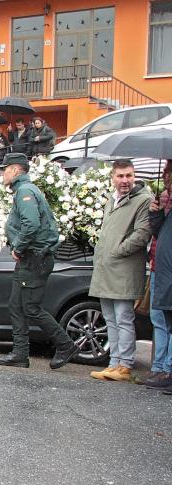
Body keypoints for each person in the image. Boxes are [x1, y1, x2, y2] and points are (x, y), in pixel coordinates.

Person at [0, 153, 79, 370]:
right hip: (30, 259)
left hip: (34, 258)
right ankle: (20, 354)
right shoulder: (24, 190)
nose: (2, 174)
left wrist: (19, 247)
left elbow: (31, 224)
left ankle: (65, 344)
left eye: (5, 169)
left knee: (31, 307)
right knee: (16, 305)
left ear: (15, 170)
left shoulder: (25, 191)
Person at [87, 159, 151, 382]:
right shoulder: (111, 199)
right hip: (106, 268)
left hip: (124, 268)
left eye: (129, 175)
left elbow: (142, 234)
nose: (125, 180)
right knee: (110, 318)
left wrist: (117, 251)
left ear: (134, 176)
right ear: (112, 178)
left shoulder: (143, 200)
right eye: (121, 176)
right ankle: (114, 363)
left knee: (123, 318)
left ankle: (125, 365)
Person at [146, 163, 172, 391]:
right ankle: (159, 367)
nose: (166, 177)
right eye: (165, 172)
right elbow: (160, 234)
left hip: (168, 270)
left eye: (170, 172)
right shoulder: (165, 199)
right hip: (159, 267)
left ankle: (168, 369)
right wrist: (155, 214)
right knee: (159, 319)